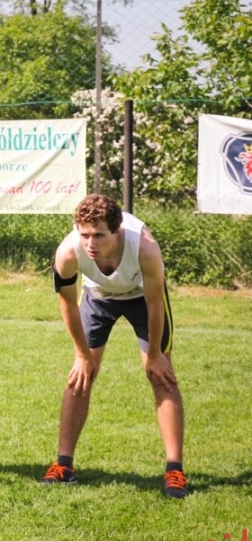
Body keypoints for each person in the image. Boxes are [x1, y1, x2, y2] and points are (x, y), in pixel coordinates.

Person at [39, 194, 188, 498]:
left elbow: (155, 303)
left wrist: (155, 355)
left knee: (162, 375)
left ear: (117, 231)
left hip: (142, 299)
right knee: (80, 377)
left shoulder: (144, 247)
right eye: (84, 234)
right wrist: (82, 355)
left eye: (98, 235)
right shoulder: (67, 252)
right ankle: (64, 465)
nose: (90, 243)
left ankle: (175, 471)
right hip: (98, 297)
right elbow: (67, 304)